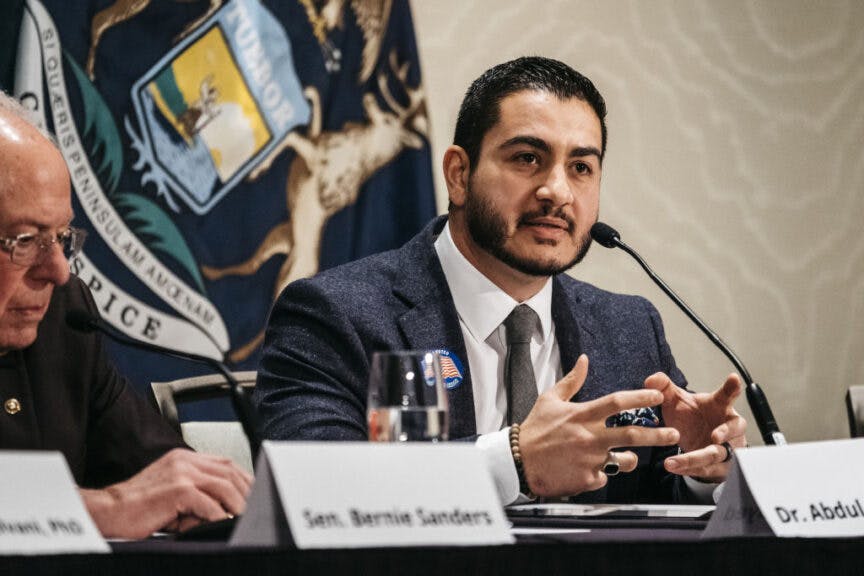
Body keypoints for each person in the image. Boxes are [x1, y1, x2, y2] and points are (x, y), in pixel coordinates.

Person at [255, 56, 747, 504]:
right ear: (458, 175)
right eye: (527, 158)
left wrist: (699, 468)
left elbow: (653, 499)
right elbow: (313, 488)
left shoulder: (630, 326)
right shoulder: (338, 313)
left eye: (581, 167)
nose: (557, 191)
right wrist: (513, 461)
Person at [0, 91, 251, 539]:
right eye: (24, 239)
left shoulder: (65, 317)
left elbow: (157, 469)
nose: (58, 271)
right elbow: (127, 502)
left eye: (61, 237)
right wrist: (107, 508)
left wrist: (203, 494)